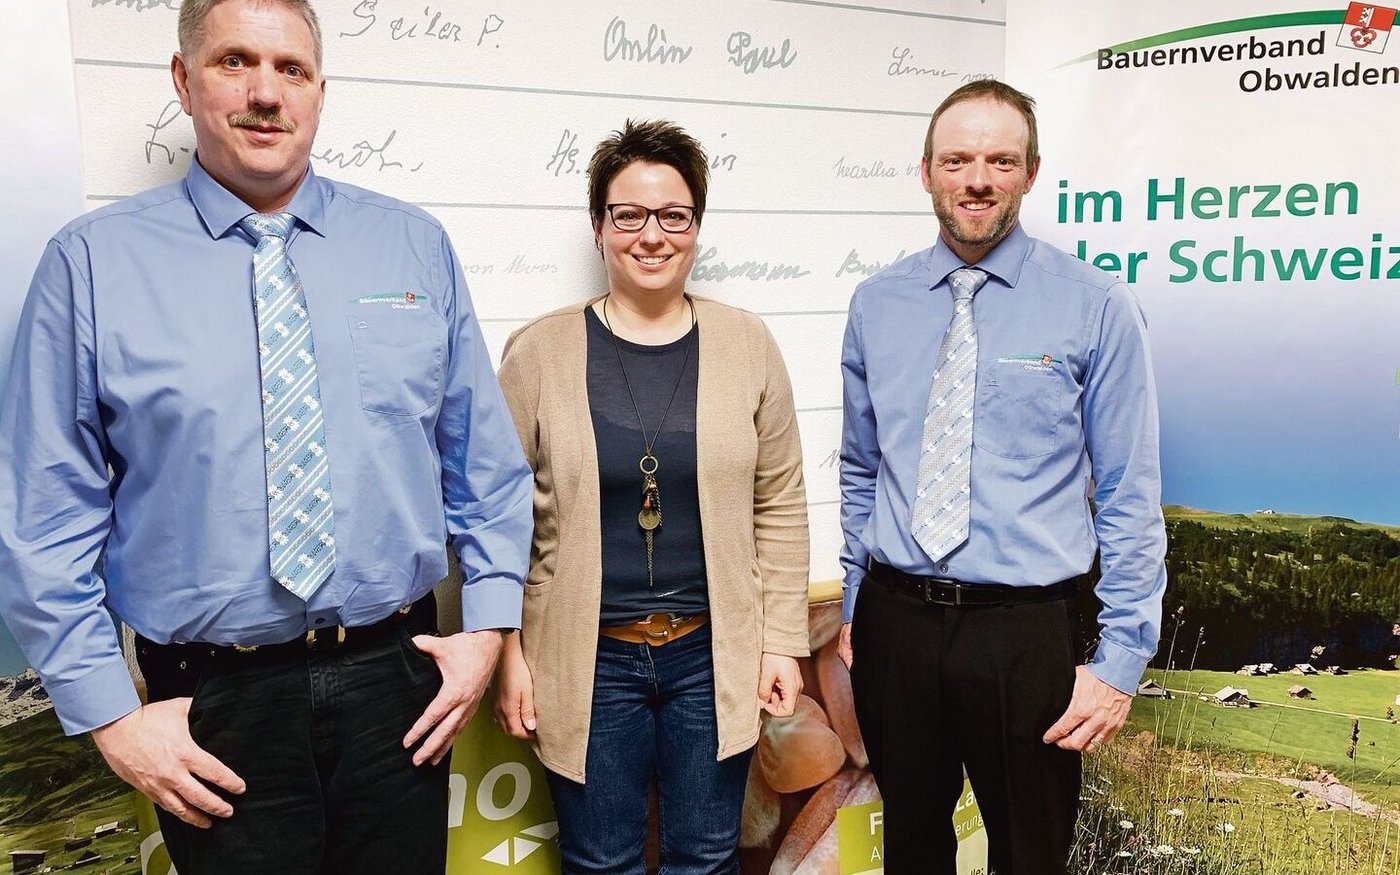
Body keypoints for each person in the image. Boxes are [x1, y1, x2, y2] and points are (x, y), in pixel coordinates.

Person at [0, 1, 532, 872]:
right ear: (183, 80)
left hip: (399, 685)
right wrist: (110, 716)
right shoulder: (89, 265)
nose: (264, 93)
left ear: (320, 91)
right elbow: (43, 518)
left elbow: (486, 468)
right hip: (210, 706)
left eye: (290, 69)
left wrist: (487, 631)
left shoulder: (413, 247)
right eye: (233, 62)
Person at [836, 80, 1166, 874]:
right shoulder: (877, 303)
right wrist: (855, 602)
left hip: (1024, 634)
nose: (977, 178)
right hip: (896, 626)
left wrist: (1121, 660)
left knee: (1029, 854)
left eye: (999, 160)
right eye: (957, 159)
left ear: (1031, 171)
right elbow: (859, 466)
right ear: (926, 173)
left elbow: (1128, 490)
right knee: (911, 847)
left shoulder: (1095, 304)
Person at [492, 119, 810, 874]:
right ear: (599, 225)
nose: (652, 234)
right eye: (628, 214)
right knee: (601, 859)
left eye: (674, 215)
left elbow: (782, 498)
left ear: (696, 226)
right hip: (587, 658)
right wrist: (506, 648)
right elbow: (494, 510)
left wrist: (781, 640)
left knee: (705, 857)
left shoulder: (747, 343)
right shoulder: (538, 352)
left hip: (712, 654)